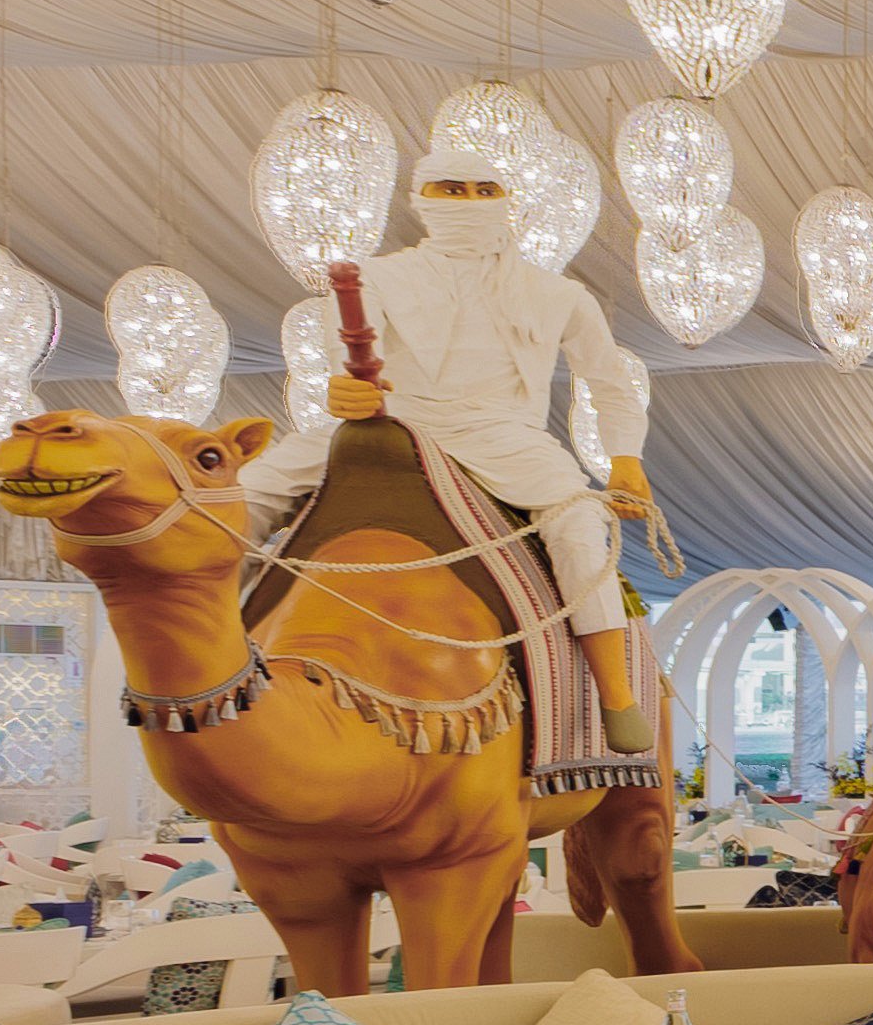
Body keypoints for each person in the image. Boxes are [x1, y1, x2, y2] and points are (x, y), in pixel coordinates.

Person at [241, 165, 656, 749]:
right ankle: (205, 654)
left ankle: (615, 695)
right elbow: (350, 359)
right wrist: (347, 391)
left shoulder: (559, 293)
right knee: (249, 491)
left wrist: (625, 458)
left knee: (579, 526)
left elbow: (609, 382)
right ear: (420, 199)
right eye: (452, 188)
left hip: (506, 435)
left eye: (485, 189)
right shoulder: (373, 278)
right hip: (391, 423)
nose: (469, 200)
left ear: (508, 199)